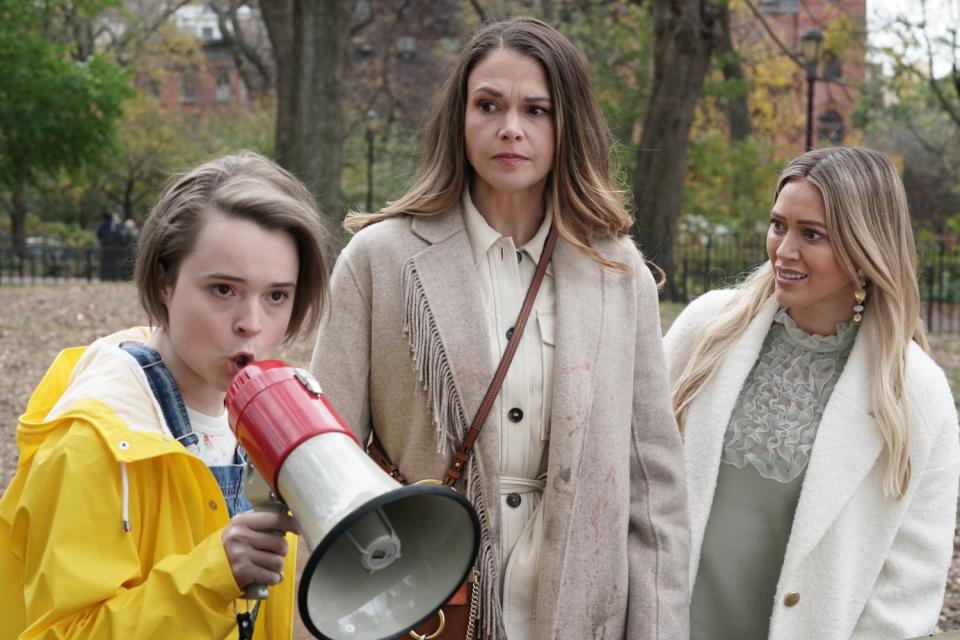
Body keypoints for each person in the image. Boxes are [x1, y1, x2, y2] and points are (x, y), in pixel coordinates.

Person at [310, 17, 688, 640]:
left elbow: (655, 491)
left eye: (535, 109)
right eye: (489, 105)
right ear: (459, 119)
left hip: (578, 605)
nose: (511, 127)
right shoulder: (381, 259)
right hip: (424, 601)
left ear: (567, 126)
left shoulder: (618, 275)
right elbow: (324, 467)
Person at [0, 151, 330, 639]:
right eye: (223, 289)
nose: (252, 323)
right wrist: (215, 575)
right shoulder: (91, 443)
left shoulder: (271, 424)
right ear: (164, 281)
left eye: (276, 295)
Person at [664, 146, 960, 640]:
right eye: (779, 225)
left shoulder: (915, 393)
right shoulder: (706, 330)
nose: (784, 249)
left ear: (866, 249)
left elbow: (908, 587)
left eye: (812, 234)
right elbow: (631, 476)